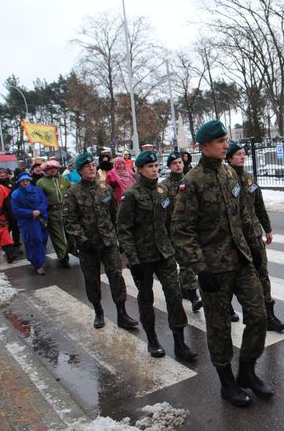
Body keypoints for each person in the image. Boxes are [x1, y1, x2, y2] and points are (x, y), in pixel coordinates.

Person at [172, 120, 271, 407]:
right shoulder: (191, 182)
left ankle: (248, 372)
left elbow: (242, 217)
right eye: (220, 141)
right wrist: (200, 269)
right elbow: (182, 231)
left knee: (259, 315)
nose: (226, 145)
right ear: (204, 146)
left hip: (241, 261)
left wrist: (255, 251)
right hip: (214, 268)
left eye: (226, 140)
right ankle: (227, 383)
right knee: (218, 328)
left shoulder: (230, 174)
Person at [116, 150, 196, 362]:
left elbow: (170, 221)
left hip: (165, 253)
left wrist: (175, 246)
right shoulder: (131, 195)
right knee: (146, 298)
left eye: (155, 166)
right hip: (143, 257)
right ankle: (152, 339)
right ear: (140, 170)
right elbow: (123, 229)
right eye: (149, 166)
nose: (154, 169)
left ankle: (180, 343)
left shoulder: (162, 191)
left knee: (174, 295)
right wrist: (133, 260)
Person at [63, 152, 139, 330]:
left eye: (93, 165)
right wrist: (82, 240)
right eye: (87, 166)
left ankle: (122, 313)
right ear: (80, 170)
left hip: (108, 242)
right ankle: (98, 311)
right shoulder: (72, 193)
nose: (91, 168)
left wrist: (118, 238)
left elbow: (115, 215)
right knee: (91, 280)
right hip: (89, 245)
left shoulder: (105, 189)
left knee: (116, 277)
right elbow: (69, 220)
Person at [226, 141, 284, 332]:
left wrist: (267, 229)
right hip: (236, 240)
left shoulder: (249, 179)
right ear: (229, 158)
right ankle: (227, 306)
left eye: (244, 153)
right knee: (234, 278)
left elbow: (259, 205)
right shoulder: (225, 179)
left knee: (262, 274)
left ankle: (269, 315)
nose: (242, 156)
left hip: (254, 236)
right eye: (238, 154)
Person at [161, 151, 202, 312]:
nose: (178, 165)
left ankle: (185, 289)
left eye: (179, 162)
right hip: (176, 231)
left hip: (192, 229)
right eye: (174, 163)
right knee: (186, 264)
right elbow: (163, 212)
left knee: (193, 262)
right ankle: (194, 297)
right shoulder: (164, 186)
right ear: (170, 166)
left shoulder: (191, 180)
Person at [11, 173, 49, 274]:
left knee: (42, 240)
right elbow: (16, 209)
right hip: (28, 221)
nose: (25, 182)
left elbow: (44, 201)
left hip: (41, 219)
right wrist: (31, 213)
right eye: (23, 181)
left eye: (27, 180)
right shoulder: (16, 194)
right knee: (33, 241)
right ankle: (38, 264)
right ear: (19, 182)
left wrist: (39, 211)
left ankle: (39, 259)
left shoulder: (37, 190)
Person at [36, 160, 71, 267]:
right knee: (57, 236)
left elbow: (71, 193)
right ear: (45, 170)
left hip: (66, 211)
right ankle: (63, 256)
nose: (52, 170)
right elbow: (39, 199)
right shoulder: (41, 182)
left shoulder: (64, 180)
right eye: (49, 169)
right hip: (52, 213)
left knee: (70, 233)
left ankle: (73, 251)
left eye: (54, 168)